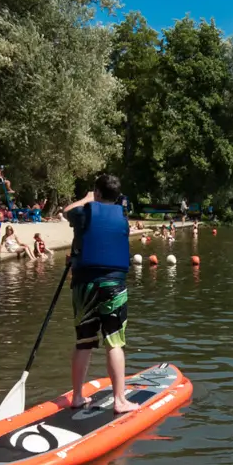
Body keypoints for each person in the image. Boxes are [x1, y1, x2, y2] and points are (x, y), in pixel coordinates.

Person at [61, 173, 138, 413]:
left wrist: (86, 198)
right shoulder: (123, 219)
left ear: (97, 193)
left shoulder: (84, 213)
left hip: (84, 285)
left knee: (83, 343)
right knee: (114, 342)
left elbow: (66, 211)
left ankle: (76, 397)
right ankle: (119, 400)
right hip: (113, 285)